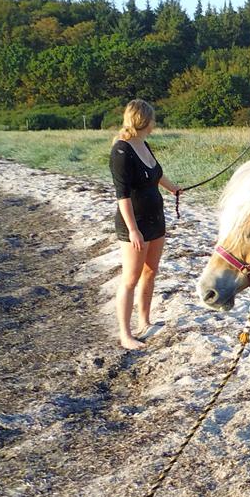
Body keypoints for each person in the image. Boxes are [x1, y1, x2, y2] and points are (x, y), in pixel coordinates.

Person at [109, 99, 180, 350]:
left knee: (150, 273)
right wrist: (132, 230)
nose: (155, 122)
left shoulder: (144, 144)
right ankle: (125, 334)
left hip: (155, 220)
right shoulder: (121, 150)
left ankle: (145, 321)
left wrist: (173, 189)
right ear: (143, 119)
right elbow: (122, 195)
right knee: (130, 279)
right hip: (135, 224)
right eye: (152, 118)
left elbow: (156, 174)